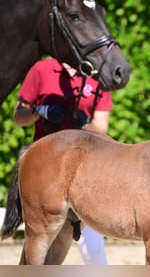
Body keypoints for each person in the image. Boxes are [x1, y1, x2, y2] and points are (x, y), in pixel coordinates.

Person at [13, 57, 111, 265]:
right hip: (45, 170)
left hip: (85, 167)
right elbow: (18, 116)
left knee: (92, 249)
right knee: (40, 241)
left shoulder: (97, 74)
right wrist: (39, 111)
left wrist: (82, 126)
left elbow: (101, 126)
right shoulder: (42, 69)